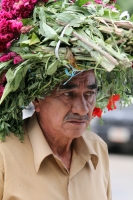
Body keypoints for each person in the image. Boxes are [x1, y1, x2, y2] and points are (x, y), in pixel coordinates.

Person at [0, 0, 133, 200]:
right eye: (67, 94)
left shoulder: (98, 150)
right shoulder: (4, 155)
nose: (82, 109)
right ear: (36, 99)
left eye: (89, 94)